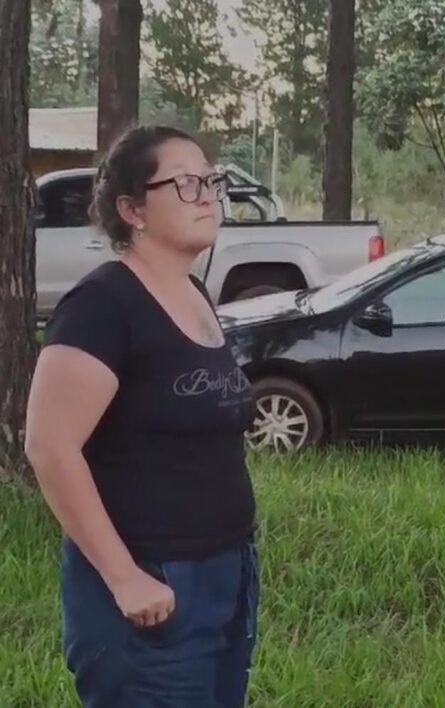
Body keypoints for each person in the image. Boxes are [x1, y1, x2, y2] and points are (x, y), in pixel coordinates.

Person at [25, 125, 259, 708]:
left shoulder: (195, 295)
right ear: (131, 208)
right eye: (183, 183)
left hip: (224, 576)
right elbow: (50, 448)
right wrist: (125, 577)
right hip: (148, 589)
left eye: (211, 179)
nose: (207, 194)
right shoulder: (102, 307)